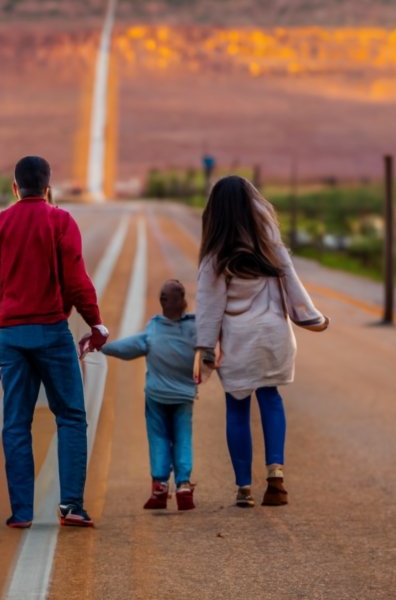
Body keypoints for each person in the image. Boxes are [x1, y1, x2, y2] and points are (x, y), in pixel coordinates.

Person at [0, 155, 110, 529]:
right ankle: (71, 507)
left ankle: (21, 513)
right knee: (70, 416)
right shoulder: (60, 221)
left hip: (12, 339)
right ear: (49, 187)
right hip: (53, 333)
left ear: (15, 187)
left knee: (16, 423)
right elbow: (76, 281)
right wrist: (96, 323)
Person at [196, 175, 329, 508]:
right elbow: (294, 287)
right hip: (273, 337)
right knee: (271, 397)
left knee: (237, 407)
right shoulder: (271, 247)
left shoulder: (216, 257)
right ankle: (276, 480)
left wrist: (205, 348)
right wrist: (311, 317)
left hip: (240, 341)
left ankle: (243, 488)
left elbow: (209, 309)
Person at [98, 279, 200, 511]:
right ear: (184, 300)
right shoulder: (196, 328)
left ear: (164, 302)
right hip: (184, 396)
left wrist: (103, 347)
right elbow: (208, 350)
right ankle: (183, 485)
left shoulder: (154, 327)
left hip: (157, 396)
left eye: (164, 297)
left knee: (159, 438)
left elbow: (129, 347)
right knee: (183, 437)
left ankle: (160, 486)